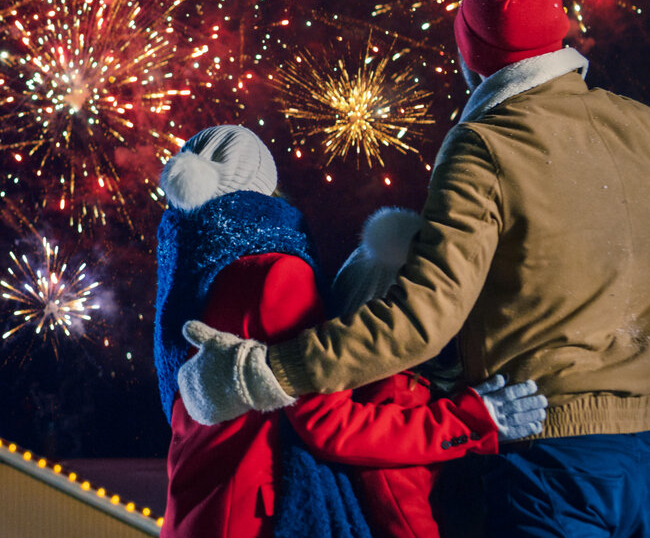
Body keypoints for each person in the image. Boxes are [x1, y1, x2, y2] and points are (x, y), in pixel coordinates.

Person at [175, 0, 650, 537]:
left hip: (547, 458)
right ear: (559, 30)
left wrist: (266, 372)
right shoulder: (636, 124)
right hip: (641, 459)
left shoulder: (487, 144)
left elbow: (422, 320)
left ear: (472, 53)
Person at [155, 125, 547, 538]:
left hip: (193, 514)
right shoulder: (277, 272)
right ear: (264, 187)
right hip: (257, 518)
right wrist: (468, 421)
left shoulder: (184, 281)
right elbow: (327, 423)